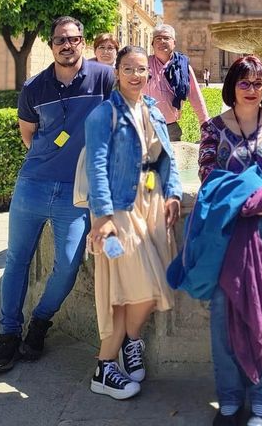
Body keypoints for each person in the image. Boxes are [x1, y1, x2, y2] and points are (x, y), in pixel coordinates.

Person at [0, 16, 116, 374]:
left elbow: (121, 119)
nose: (67, 45)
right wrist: (52, 156)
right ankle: (8, 335)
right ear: (51, 43)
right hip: (32, 184)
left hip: (74, 195)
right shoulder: (34, 87)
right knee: (16, 259)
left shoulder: (103, 78)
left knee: (70, 263)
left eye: (73, 39)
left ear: (83, 42)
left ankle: (41, 322)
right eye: (60, 39)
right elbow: (28, 134)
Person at [198, 55, 262, 426]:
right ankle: (228, 397)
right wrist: (244, 204)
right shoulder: (212, 128)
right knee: (222, 302)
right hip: (229, 227)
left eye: (258, 83)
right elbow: (209, 175)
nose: (252, 90)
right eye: (244, 82)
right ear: (232, 86)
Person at [84, 45, 182, 399]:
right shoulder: (102, 115)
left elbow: (162, 158)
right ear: (117, 72)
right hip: (119, 209)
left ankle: (129, 344)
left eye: (142, 69)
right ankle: (105, 366)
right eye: (129, 69)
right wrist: (105, 218)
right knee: (128, 288)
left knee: (144, 289)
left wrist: (172, 194)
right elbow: (96, 167)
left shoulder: (153, 111)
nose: (136, 75)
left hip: (150, 204)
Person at [143, 23, 209, 142]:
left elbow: (195, 96)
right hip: (144, 126)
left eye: (166, 38)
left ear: (174, 43)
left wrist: (205, 124)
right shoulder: (143, 64)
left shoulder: (183, 67)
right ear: (152, 44)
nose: (162, 41)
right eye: (158, 38)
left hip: (170, 128)